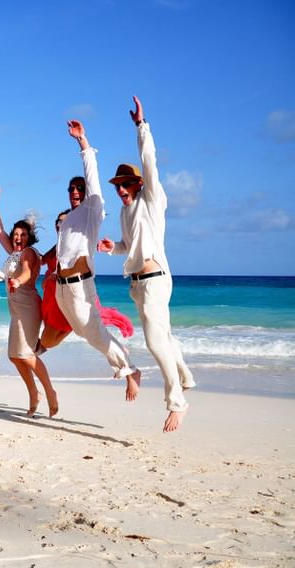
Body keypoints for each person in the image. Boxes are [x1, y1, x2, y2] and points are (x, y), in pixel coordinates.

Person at [98, 96, 196, 432]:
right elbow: (130, 247)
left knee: (155, 342)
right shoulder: (126, 212)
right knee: (164, 336)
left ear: (139, 184)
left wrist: (142, 126)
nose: (121, 189)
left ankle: (177, 402)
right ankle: (185, 376)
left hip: (156, 279)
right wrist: (113, 248)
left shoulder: (153, 200)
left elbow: (150, 161)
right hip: (139, 285)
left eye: (127, 184)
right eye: (118, 186)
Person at [58, 119, 142, 401]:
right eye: (72, 190)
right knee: (86, 333)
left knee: (94, 335)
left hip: (81, 284)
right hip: (62, 287)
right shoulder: (68, 218)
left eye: (79, 189)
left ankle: (130, 370)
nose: (76, 193)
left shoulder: (94, 209)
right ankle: (124, 361)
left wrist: (82, 142)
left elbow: (92, 179)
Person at [0, 189, 58, 417]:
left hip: (28, 306)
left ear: (29, 238)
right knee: (14, 355)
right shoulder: (14, 252)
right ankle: (34, 394)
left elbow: (28, 272)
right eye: (16, 234)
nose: (18, 237)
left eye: (22, 234)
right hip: (17, 308)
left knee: (27, 354)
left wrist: (17, 281)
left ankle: (49, 392)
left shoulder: (28, 252)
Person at [39, 208, 134, 351]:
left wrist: (55, 273)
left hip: (70, 292)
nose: (61, 224)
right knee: (48, 341)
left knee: (48, 341)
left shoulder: (79, 243)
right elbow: (42, 260)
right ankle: (73, 325)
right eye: (59, 221)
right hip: (55, 296)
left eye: (66, 221)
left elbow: (78, 263)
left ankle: (118, 346)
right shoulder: (57, 245)